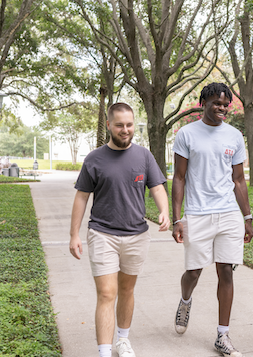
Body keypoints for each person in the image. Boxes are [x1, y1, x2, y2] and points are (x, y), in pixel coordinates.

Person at [69, 102, 170, 357]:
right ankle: (104, 351)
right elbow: (81, 197)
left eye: (129, 125)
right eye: (119, 125)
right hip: (103, 233)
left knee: (127, 290)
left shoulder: (144, 156)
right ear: (109, 126)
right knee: (106, 292)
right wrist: (74, 235)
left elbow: (157, 187)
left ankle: (122, 340)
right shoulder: (94, 159)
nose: (125, 130)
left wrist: (164, 211)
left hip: (137, 234)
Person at [172, 82, 253, 357]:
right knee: (194, 272)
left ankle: (222, 335)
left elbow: (239, 179)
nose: (221, 108)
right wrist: (177, 218)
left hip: (229, 213)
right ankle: (185, 301)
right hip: (197, 213)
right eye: (216, 103)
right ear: (203, 102)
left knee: (226, 271)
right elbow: (179, 177)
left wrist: (247, 217)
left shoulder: (234, 136)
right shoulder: (187, 134)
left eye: (225, 104)